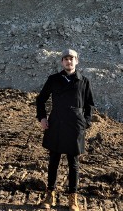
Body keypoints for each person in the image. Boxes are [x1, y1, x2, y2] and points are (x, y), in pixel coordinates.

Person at [36, 49, 95, 211]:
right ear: (62, 62)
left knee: (73, 163)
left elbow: (89, 105)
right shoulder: (53, 79)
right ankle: (50, 195)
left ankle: (72, 198)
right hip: (56, 123)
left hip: (75, 126)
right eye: (66, 59)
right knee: (53, 160)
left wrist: (86, 122)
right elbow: (40, 100)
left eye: (72, 59)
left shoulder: (83, 81)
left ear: (77, 61)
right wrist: (42, 117)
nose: (69, 62)